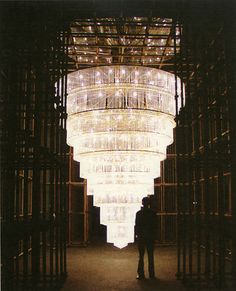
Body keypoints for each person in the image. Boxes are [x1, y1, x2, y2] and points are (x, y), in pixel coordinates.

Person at [135, 196, 156, 280]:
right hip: (150, 236)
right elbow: (155, 226)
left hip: (142, 237)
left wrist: (137, 235)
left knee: (141, 256)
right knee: (150, 256)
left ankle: (141, 274)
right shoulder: (153, 213)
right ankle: (152, 274)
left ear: (142, 203)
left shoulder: (139, 213)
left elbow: (137, 226)